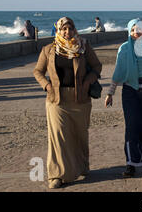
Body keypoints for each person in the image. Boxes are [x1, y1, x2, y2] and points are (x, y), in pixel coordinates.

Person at [33, 17, 102, 189]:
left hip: (80, 99)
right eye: (63, 28)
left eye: (70, 28)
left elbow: (97, 66)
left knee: (80, 135)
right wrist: (46, 85)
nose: (67, 32)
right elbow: (37, 71)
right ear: (58, 30)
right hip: (57, 100)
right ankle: (56, 175)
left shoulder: (83, 46)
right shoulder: (48, 50)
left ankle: (82, 166)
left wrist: (88, 82)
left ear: (74, 30)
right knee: (58, 137)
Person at [104, 19, 142, 178]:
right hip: (131, 93)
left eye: (140, 30)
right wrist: (110, 93)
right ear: (129, 32)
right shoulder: (124, 49)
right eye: (133, 30)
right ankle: (131, 163)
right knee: (132, 126)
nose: (136, 33)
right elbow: (118, 71)